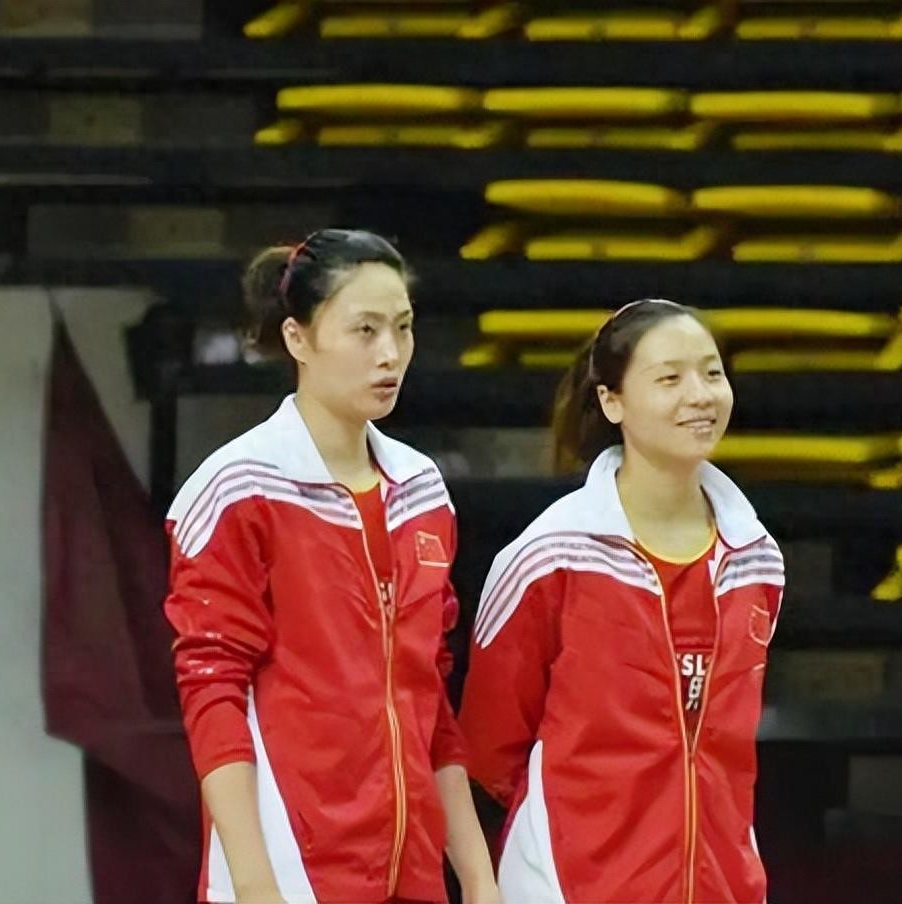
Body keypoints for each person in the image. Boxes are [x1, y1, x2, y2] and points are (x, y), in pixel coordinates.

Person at [164, 229, 498, 904]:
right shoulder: (237, 489)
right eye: (364, 330)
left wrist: (478, 878)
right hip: (291, 871)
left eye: (403, 328)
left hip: (411, 874)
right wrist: (255, 882)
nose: (390, 354)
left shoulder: (422, 491)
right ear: (297, 338)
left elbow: (429, 700)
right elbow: (212, 691)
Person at [459, 299, 785, 903]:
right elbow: (489, 746)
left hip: (722, 885)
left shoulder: (755, 556)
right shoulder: (550, 556)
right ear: (612, 401)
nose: (700, 395)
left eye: (712, 373)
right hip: (568, 884)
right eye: (670, 378)